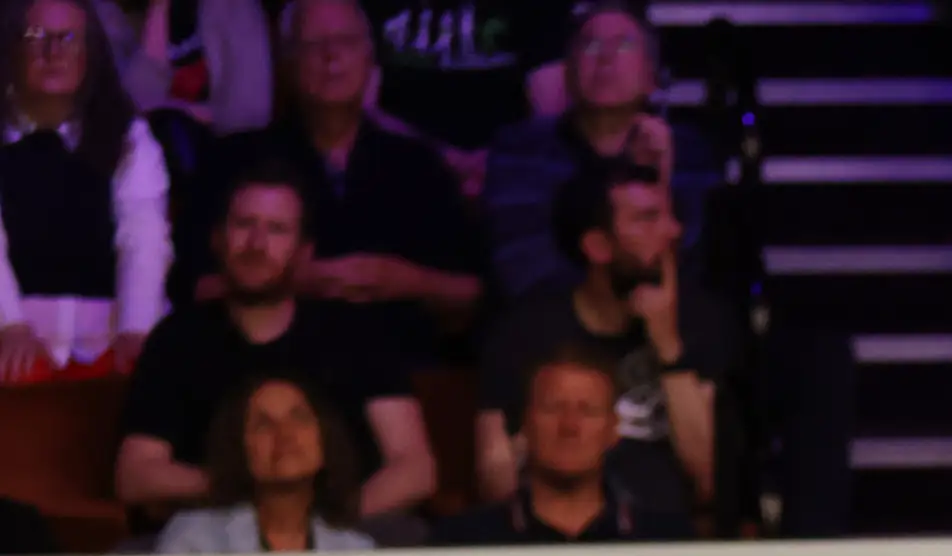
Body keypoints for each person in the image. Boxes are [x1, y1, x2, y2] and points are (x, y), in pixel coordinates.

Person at [115, 160, 428, 514]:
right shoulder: (176, 339)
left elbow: (415, 469)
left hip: (347, 534)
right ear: (217, 238)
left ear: (304, 251)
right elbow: (136, 475)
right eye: (244, 224)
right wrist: (258, 495)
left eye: (277, 229)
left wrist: (323, 532)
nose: (257, 243)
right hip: (219, 537)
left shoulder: (355, 333)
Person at [189, 0, 481, 357]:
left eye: (346, 41)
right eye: (313, 44)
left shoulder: (419, 164)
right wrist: (298, 281)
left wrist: (403, 281)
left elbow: (471, 293)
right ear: (287, 62)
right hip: (268, 368)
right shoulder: (235, 160)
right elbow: (196, 289)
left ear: (370, 58)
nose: (331, 56)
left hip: (402, 369)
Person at [473, 163, 719, 519]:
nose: (674, 231)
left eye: (672, 216)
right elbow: (493, 481)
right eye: (648, 219)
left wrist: (668, 349)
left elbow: (708, 477)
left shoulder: (701, 322)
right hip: (554, 538)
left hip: (662, 540)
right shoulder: (525, 332)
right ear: (598, 246)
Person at [477, 3, 703, 301]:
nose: (606, 58)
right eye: (591, 45)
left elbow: (689, 268)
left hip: (660, 322)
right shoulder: (520, 150)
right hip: (548, 327)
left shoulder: (687, 151)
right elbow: (522, 268)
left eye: (624, 45)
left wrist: (657, 176)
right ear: (568, 74)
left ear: (652, 77)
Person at [0, 0, 167, 380]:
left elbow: (144, 237)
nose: (53, 51)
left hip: (106, 339)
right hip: (9, 341)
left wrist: (136, 329)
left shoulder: (129, 137)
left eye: (69, 38)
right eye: (36, 35)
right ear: (12, 48)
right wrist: (9, 326)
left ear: (90, 53)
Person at [431, 337, 673, 538]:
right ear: (525, 423)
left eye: (587, 411)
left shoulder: (663, 541)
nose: (569, 426)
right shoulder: (464, 541)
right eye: (552, 408)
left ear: (613, 430)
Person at [152, 358, 370, 545]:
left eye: (298, 418)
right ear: (238, 449)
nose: (284, 434)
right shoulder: (194, 538)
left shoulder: (355, 549)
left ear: (325, 439)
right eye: (263, 424)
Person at [369, 0, 574, 174]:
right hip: (397, 160)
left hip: (513, 167)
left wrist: (497, 159)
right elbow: (360, 105)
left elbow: (548, 114)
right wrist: (439, 156)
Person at [101, 0, 273, 137]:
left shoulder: (235, 8)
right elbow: (134, 109)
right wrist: (159, 8)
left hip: (228, 149)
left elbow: (251, 112)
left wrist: (180, 113)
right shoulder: (112, 17)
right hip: (160, 152)